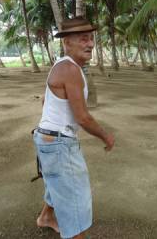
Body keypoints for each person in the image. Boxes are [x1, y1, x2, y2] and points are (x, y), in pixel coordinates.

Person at [33, 16, 115, 239]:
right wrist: (105, 136)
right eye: (83, 39)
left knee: (58, 181)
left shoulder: (63, 66)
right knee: (75, 198)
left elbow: (45, 101)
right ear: (67, 43)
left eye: (91, 39)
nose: (90, 44)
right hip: (58, 142)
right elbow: (83, 118)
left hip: (48, 138)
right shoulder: (70, 70)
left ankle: (46, 217)